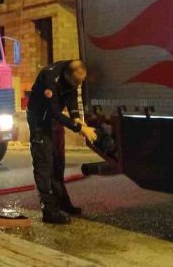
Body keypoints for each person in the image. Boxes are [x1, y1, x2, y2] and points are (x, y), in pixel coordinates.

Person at [27, 60, 98, 225]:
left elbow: (71, 98)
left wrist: (77, 119)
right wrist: (78, 128)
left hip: (54, 120)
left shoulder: (72, 76)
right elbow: (53, 112)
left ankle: (62, 203)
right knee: (45, 164)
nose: (77, 85)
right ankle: (49, 211)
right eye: (76, 82)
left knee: (58, 162)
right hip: (40, 121)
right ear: (67, 75)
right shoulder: (49, 79)